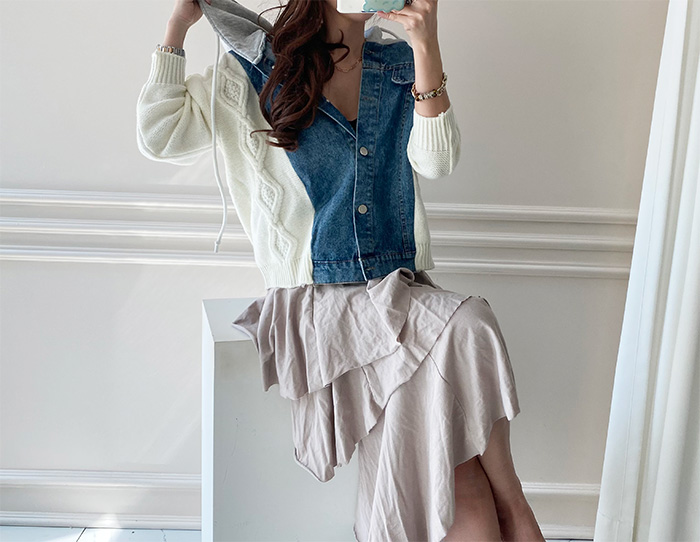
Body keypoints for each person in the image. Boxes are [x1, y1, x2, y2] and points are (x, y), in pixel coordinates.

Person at [136, 0, 546, 540]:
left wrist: (427, 45)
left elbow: (437, 161)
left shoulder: (398, 63)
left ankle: (501, 507)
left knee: (456, 457)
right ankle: (516, 506)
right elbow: (160, 136)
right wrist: (177, 26)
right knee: (467, 325)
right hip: (316, 300)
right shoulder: (252, 70)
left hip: (400, 292)